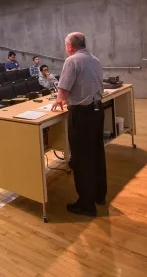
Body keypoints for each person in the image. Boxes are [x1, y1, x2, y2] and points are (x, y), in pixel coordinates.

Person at [52, 32, 105, 217]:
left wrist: (59, 100)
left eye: (65, 45)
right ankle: (99, 194)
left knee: (81, 158)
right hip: (98, 109)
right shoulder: (95, 60)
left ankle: (85, 204)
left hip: (82, 114)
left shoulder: (72, 61)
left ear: (70, 46)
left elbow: (64, 88)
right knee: (96, 152)